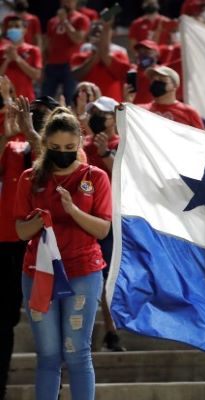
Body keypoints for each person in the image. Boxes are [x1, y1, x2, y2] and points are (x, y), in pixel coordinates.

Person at [14, 107, 112, 400]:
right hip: (39, 271)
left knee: (77, 351)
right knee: (48, 354)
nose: (63, 153)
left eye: (70, 148)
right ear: (45, 145)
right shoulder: (30, 178)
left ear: (80, 143)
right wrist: (38, 219)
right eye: (56, 148)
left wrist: (72, 210)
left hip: (83, 270)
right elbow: (21, 231)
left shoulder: (95, 178)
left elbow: (103, 229)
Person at [0, 94, 40, 400]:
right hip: (5, 242)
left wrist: (30, 134)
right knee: (5, 320)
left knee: (47, 318)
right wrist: (5, 135)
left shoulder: (43, 146)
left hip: (37, 244)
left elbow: (49, 170)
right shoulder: (8, 149)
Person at [81, 96, 126, 352]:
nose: (96, 117)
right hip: (84, 220)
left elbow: (126, 179)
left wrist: (105, 153)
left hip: (112, 223)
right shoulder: (79, 146)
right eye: (93, 113)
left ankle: (112, 330)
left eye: (102, 113)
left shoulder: (123, 144)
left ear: (114, 118)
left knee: (109, 277)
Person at [42, 0, 90, 104]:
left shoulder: (81, 19)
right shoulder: (52, 21)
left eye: (69, 1)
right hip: (52, 64)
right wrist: (43, 64)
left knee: (70, 99)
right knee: (45, 99)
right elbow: (47, 44)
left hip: (71, 65)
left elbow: (78, 39)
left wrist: (65, 21)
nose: (66, 3)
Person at [70, 20, 130, 102]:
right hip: (89, 105)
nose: (97, 36)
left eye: (101, 32)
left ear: (109, 35)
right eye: (94, 33)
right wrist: (94, 58)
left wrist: (102, 52)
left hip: (115, 105)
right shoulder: (82, 52)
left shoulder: (120, 52)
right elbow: (76, 75)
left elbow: (123, 75)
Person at [137, 66, 204, 129]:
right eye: (153, 80)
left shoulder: (189, 113)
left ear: (174, 86)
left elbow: (202, 139)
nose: (156, 82)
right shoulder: (140, 110)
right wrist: (128, 101)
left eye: (161, 79)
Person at [0, 15, 42, 101]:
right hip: (4, 100)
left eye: (17, 26)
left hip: (26, 99)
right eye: (10, 27)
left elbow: (36, 75)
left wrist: (17, 59)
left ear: (25, 30)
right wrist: (7, 60)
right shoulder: (1, 50)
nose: (13, 29)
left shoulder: (33, 50)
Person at [130, 40, 161, 105]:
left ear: (157, 53)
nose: (143, 55)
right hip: (136, 111)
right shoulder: (131, 72)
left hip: (155, 112)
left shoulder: (163, 72)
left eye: (147, 51)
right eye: (140, 52)